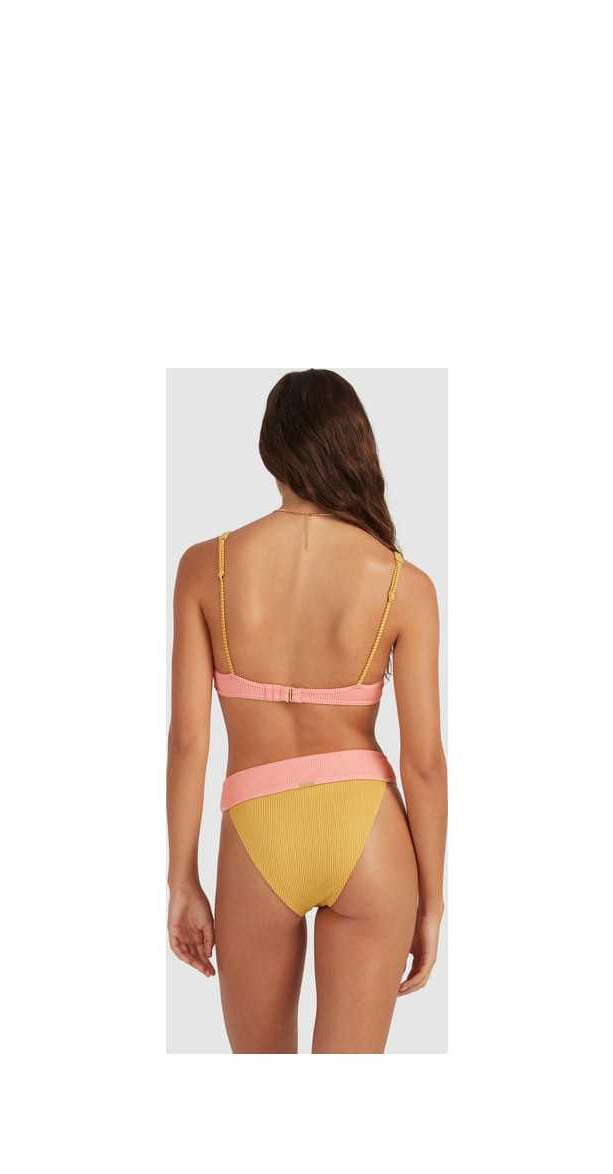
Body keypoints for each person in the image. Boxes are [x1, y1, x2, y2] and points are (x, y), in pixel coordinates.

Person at [167, 369, 447, 1052]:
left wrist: (181, 879)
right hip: (370, 834)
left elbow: (187, 742)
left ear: (271, 449)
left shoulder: (206, 567)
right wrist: (432, 901)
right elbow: (424, 764)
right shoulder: (404, 584)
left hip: (257, 831)